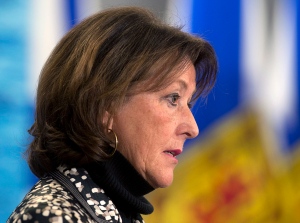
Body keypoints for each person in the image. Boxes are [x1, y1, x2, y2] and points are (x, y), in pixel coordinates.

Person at [7, 6, 217, 223]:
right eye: (173, 98)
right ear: (103, 107)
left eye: (188, 103)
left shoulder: (118, 214)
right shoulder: (50, 217)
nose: (193, 128)